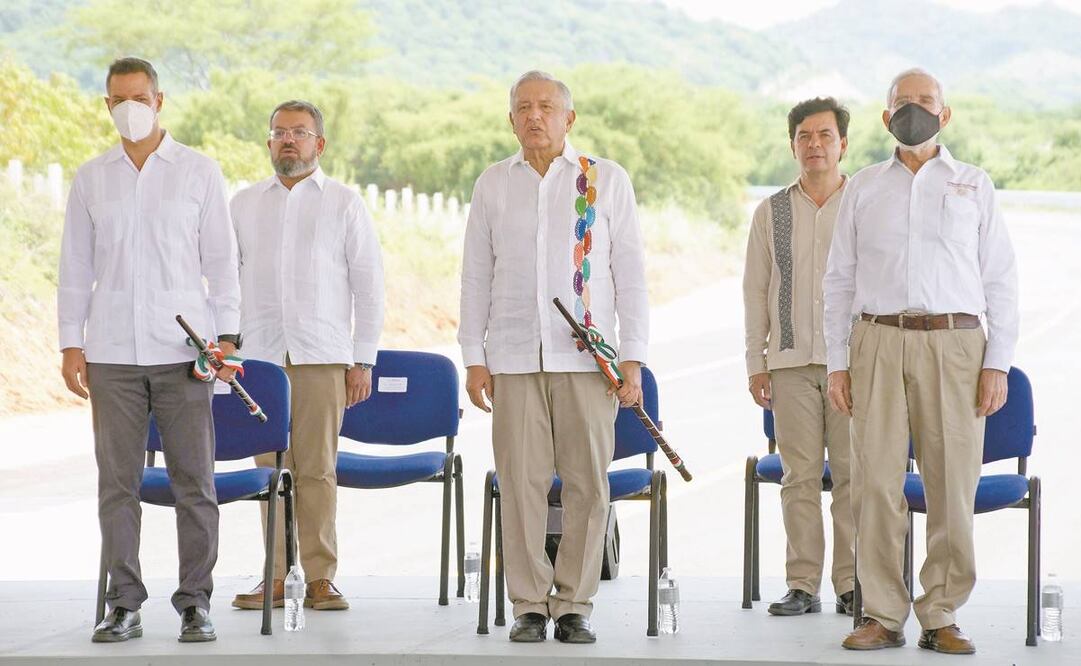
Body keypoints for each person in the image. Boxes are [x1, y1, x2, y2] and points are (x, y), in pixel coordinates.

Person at [823, 68, 1019, 655]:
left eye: (925, 101)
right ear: (886, 118)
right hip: (878, 340)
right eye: (903, 103)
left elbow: (1000, 280)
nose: (915, 110)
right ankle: (882, 613)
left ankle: (941, 611)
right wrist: (837, 362)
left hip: (956, 344)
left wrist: (998, 362)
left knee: (952, 483)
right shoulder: (861, 187)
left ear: (946, 113)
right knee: (875, 483)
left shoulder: (973, 184)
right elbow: (838, 281)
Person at [458, 70, 649, 644]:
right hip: (513, 358)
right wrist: (474, 355)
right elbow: (475, 275)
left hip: (587, 361)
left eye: (546, 107)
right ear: (510, 119)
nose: (534, 116)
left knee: (590, 484)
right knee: (521, 485)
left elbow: (631, 274)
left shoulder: (603, 180)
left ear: (570, 118)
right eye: (523, 108)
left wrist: (632, 357)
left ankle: (574, 603)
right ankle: (529, 605)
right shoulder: (493, 183)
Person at [59, 57, 240, 643]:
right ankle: (124, 603)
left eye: (140, 97)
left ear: (160, 100)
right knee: (118, 484)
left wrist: (229, 337)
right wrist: (71, 343)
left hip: (183, 353)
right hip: (110, 352)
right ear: (107, 105)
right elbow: (74, 268)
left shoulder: (198, 172)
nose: (130, 107)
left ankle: (195, 602)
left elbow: (222, 262)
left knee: (195, 481)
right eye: (118, 99)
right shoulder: (91, 177)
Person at [229, 100, 385, 612]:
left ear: (320, 144)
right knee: (271, 470)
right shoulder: (244, 204)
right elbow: (226, 283)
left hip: (323, 356)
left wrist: (362, 360)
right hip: (262, 360)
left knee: (317, 468)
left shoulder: (344, 203)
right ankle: (276, 576)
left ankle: (320, 577)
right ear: (269, 143)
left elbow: (369, 286)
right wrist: (227, 344)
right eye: (279, 133)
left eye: (299, 132)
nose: (288, 140)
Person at [743, 97, 855, 618]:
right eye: (805, 136)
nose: (815, 145)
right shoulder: (771, 211)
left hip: (853, 365)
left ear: (843, 144)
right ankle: (803, 584)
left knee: (855, 475)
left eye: (825, 136)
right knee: (799, 478)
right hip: (788, 364)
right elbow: (756, 290)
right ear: (792, 145)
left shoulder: (863, 202)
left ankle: (853, 583)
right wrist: (755, 361)